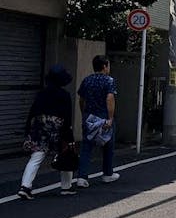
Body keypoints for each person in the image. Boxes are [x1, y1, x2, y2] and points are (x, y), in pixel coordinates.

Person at [17, 65, 77, 199]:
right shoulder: (64, 95)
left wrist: (28, 128)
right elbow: (67, 116)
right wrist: (68, 133)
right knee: (65, 154)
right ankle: (66, 187)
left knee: (36, 157)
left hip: (40, 127)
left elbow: (33, 111)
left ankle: (25, 187)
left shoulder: (41, 93)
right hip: (58, 127)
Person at [77, 55, 118, 187]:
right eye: (108, 65)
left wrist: (84, 113)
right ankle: (107, 173)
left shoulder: (87, 80)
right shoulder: (109, 81)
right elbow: (110, 98)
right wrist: (110, 118)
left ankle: (82, 177)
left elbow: (81, 99)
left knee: (86, 146)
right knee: (108, 145)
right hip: (103, 116)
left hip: (89, 116)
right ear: (105, 66)